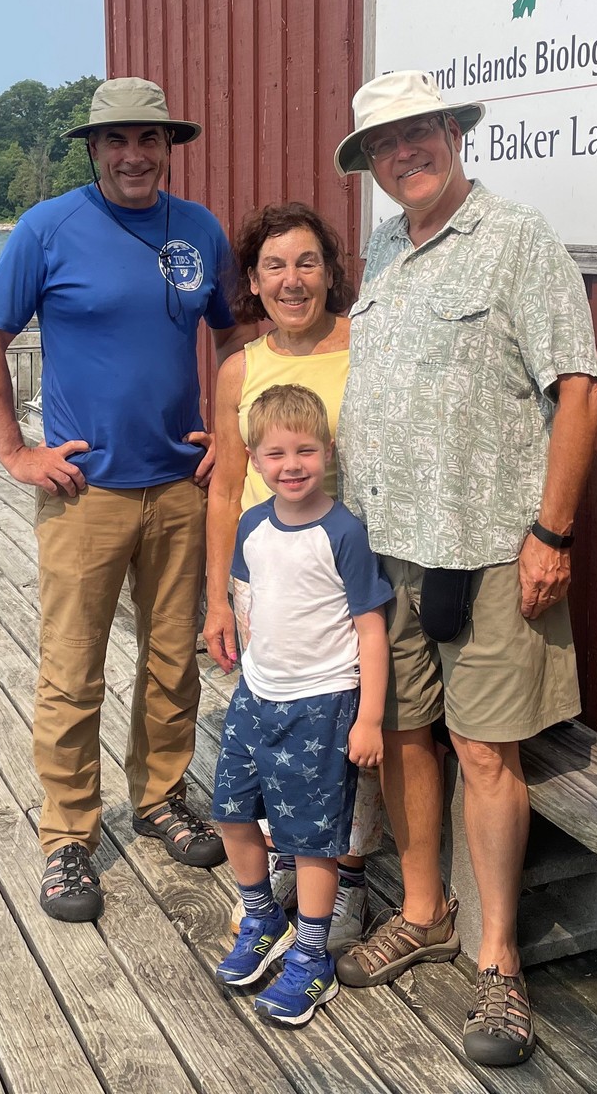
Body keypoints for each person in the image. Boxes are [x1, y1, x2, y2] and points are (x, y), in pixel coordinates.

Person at [330, 69, 597, 1068]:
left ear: (454, 130)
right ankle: (423, 909)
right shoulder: (384, 251)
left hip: (491, 548)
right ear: (371, 166)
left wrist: (553, 534)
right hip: (390, 543)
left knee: (487, 752)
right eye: (384, 146)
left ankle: (498, 962)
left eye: (420, 133)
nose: (406, 154)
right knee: (405, 733)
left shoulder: (518, 241)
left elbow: (577, 390)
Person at [0, 76, 241, 924]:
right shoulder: (49, 227)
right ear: (93, 149)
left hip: (179, 487)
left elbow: (229, 331)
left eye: (149, 140)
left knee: (172, 660)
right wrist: (14, 450)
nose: (134, 156)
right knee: (73, 669)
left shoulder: (198, 230)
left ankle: (159, 798)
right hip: (86, 491)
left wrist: (227, 433)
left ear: (169, 148)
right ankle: (68, 836)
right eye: (116, 141)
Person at [203, 202, 384, 950]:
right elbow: (223, 485)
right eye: (274, 265)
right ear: (253, 279)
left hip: (344, 570)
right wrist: (217, 596)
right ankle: (290, 862)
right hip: (266, 574)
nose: (292, 280)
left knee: (343, 728)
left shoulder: (366, 347)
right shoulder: (239, 366)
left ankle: (345, 879)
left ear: (331, 271)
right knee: (275, 722)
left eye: (307, 262)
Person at [209, 384, 392, 1026]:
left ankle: (311, 950)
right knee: (231, 811)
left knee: (313, 839)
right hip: (256, 695)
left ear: (327, 452)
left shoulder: (344, 532)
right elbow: (250, 599)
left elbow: (372, 629)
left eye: (306, 451)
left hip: (322, 704)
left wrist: (369, 715)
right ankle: (260, 915)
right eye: (276, 453)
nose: (292, 465)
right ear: (254, 458)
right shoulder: (251, 526)